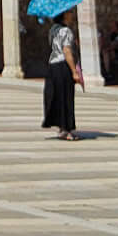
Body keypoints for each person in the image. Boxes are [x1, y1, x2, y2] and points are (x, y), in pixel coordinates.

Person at [42, 13, 82, 141]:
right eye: (69, 13)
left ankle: (61, 128)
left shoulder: (53, 29)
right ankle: (67, 129)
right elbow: (67, 51)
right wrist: (74, 72)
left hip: (52, 66)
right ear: (64, 16)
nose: (71, 15)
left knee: (57, 97)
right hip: (63, 66)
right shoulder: (66, 31)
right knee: (66, 97)